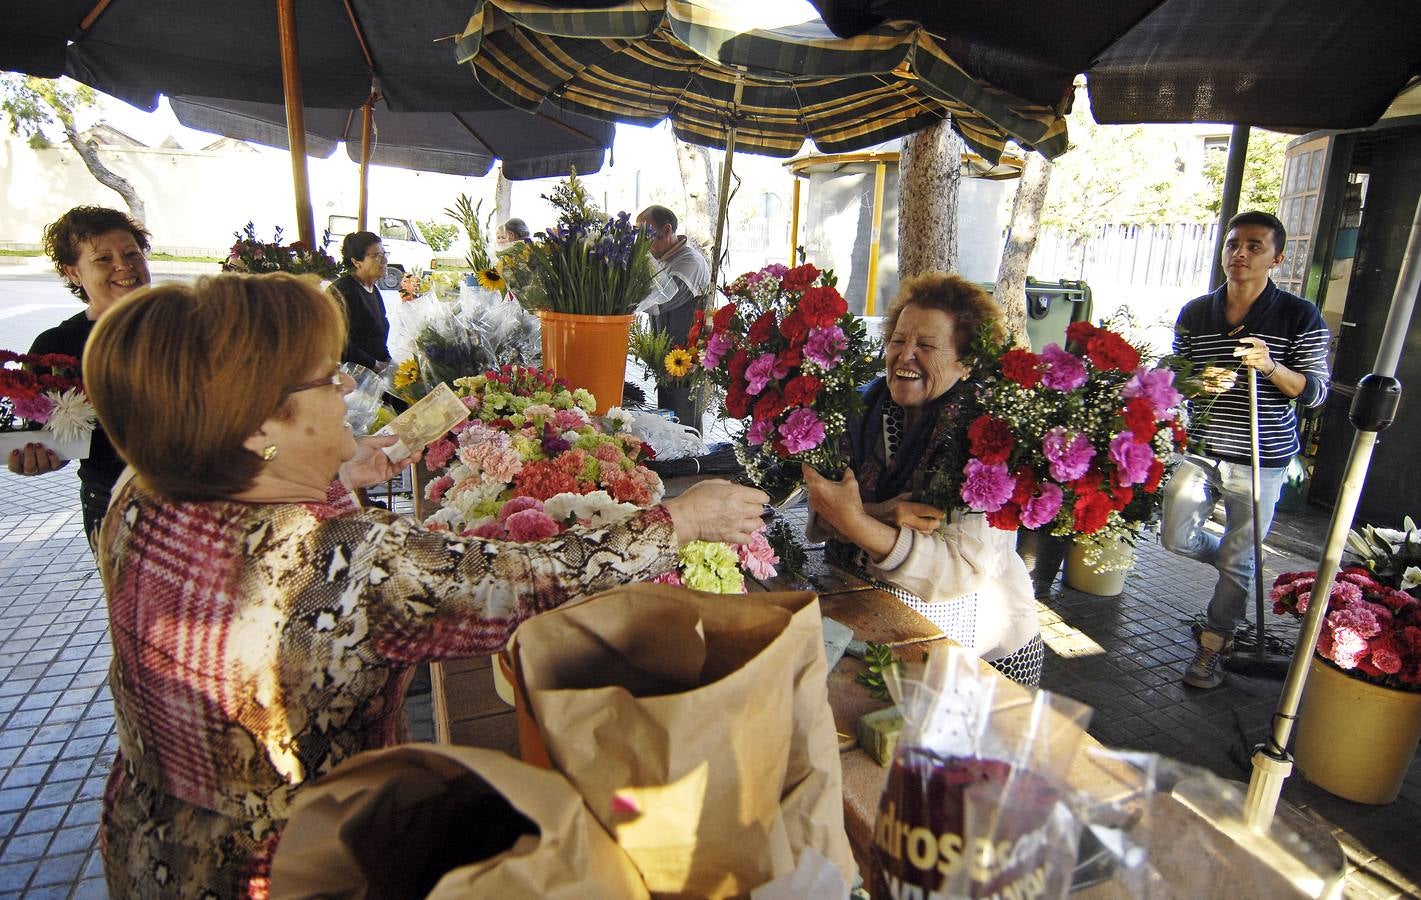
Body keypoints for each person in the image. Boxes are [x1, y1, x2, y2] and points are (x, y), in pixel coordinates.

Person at [85, 272, 768, 898]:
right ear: (260, 422)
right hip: (289, 867)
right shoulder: (341, 563)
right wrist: (679, 521)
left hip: (151, 837)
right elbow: (526, 582)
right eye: (324, 380)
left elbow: (240, 497)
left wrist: (337, 472)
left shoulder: (140, 491)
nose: (346, 390)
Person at [801, 272, 1043, 685]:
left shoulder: (987, 438)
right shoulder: (863, 408)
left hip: (973, 648)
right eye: (898, 340)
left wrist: (856, 521)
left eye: (926, 345)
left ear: (966, 362)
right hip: (882, 623)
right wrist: (882, 512)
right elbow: (825, 513)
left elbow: (957, 570)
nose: (905, 355)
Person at [1162, 210, 1330, 689]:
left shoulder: (1300, 315)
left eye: (1255, 246)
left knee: (1240, 559)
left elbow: (1316, 391)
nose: (1240, 253)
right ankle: (1240, 566)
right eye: (1233, 243)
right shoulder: (1197, 311)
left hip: (1262, 456)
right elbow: (1176, 373)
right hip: (1203, 448)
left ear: (1277, 257)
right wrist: (1195, 382)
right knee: (1176, 536)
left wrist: (1271, 366)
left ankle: (1215, 642)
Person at [7, 206, 152, 549]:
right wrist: (36, 456)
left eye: (132, 253)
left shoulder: (194, 324)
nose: (124, 265)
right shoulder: (57, 346)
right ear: (73, 272)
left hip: (209, 496)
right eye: (103, 258)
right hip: (115, 504)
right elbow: (52, 439)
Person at [635, 204, 710, 345]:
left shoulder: (690, 262)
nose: (642, 243)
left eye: (646, 236)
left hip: (683, 358)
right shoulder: (662, 258)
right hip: (664, 355)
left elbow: (658, 303)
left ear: (667, 230)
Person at [330, 231, 391, 372]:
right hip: (352, 377)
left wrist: (388, 361)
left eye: (384, 254)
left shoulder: (372, 289)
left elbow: (378, 336)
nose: (385, 260)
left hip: (375, 371)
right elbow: (339, 344)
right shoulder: (344, 292)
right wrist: (375, 365)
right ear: (356, 262)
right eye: (376, 256)